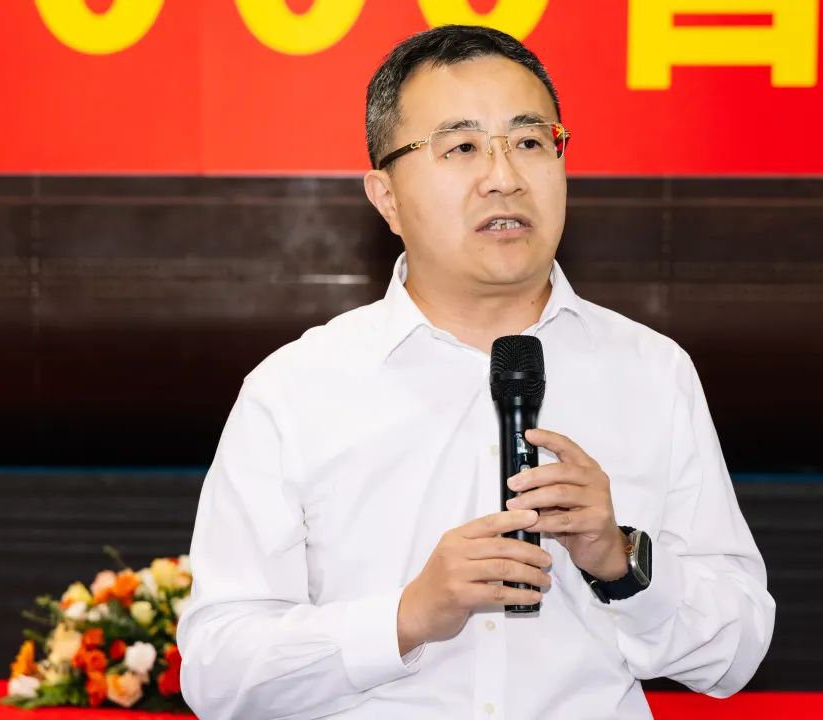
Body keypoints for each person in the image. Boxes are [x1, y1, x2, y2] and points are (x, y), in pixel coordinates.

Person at [177, 24, 775, 719]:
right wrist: (406, 617)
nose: (505, 177)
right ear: (386, 197)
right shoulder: (296, 390)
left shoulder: (651, 371)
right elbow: (218, 673)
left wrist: (620, 562)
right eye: (461, 147)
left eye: (530, 142)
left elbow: (736, 652)